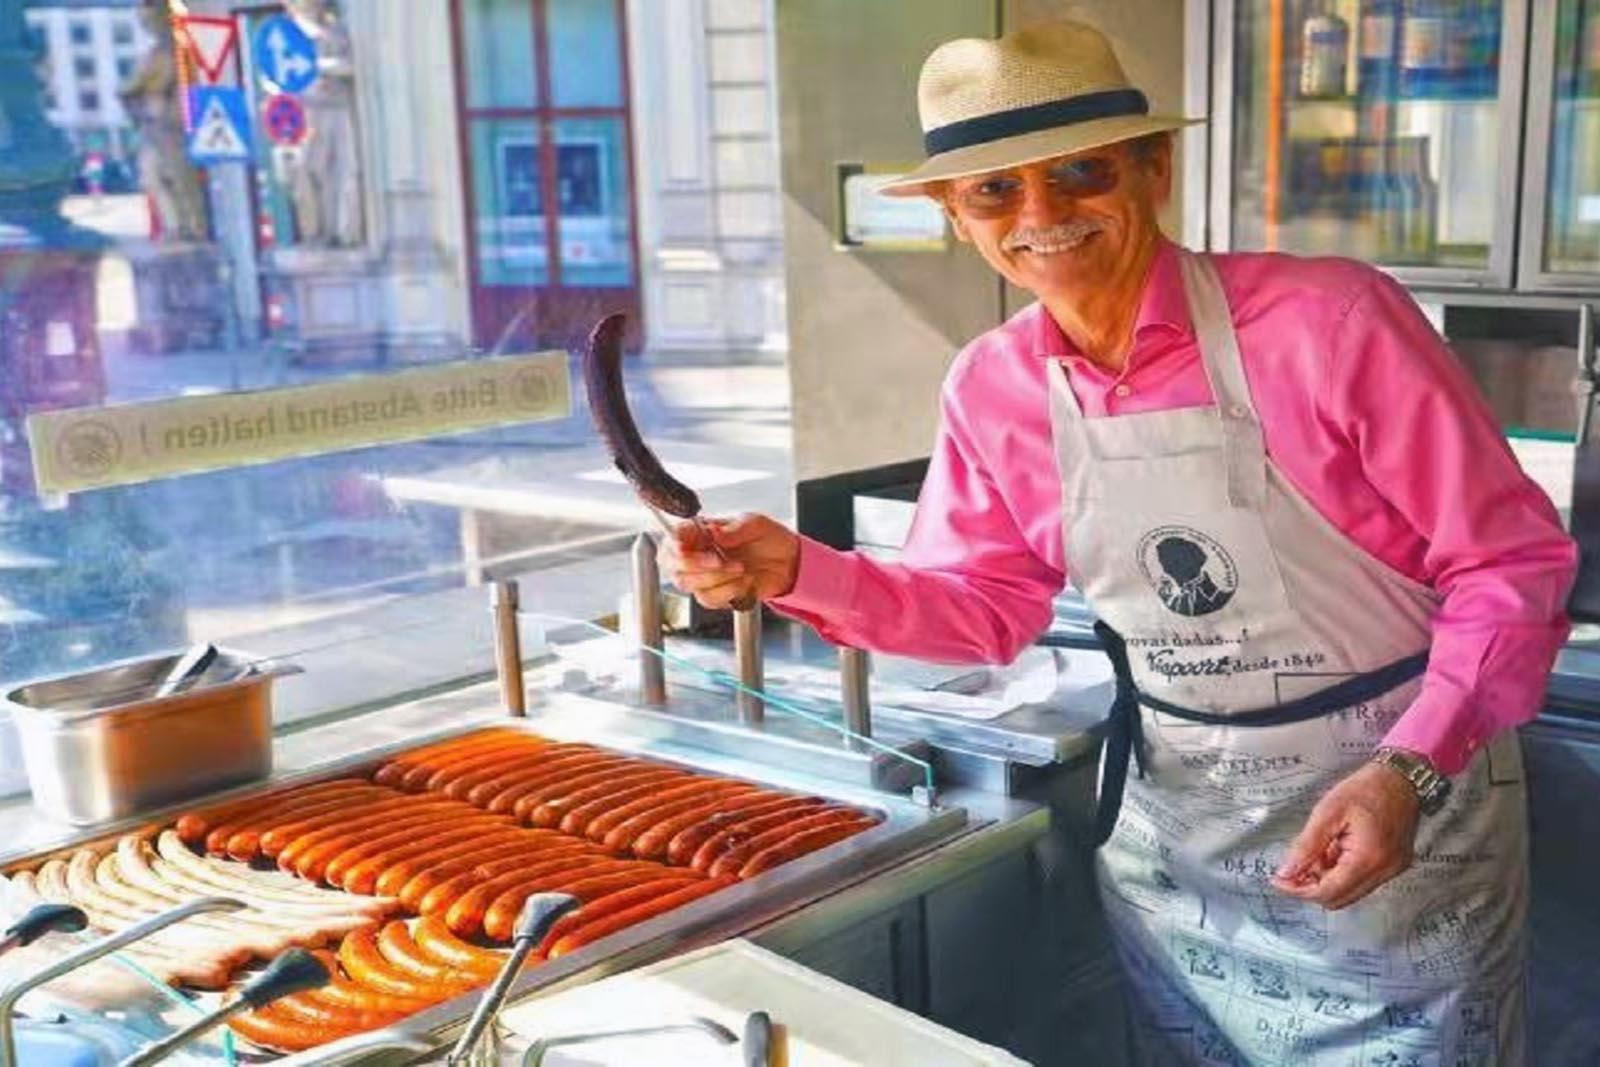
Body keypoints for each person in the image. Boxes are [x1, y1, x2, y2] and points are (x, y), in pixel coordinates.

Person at [660, 19, 1578, 1067]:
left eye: (1079, 172)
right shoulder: (991, 384)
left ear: (1154, 168)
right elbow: (985, 609)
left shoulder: (1332, 321)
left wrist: (1406, 772)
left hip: (1398, 805)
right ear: (958, 217)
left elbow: (1508, 562)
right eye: (994, 190)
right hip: (1180, 838)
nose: (1041, 214)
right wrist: (799, 570)